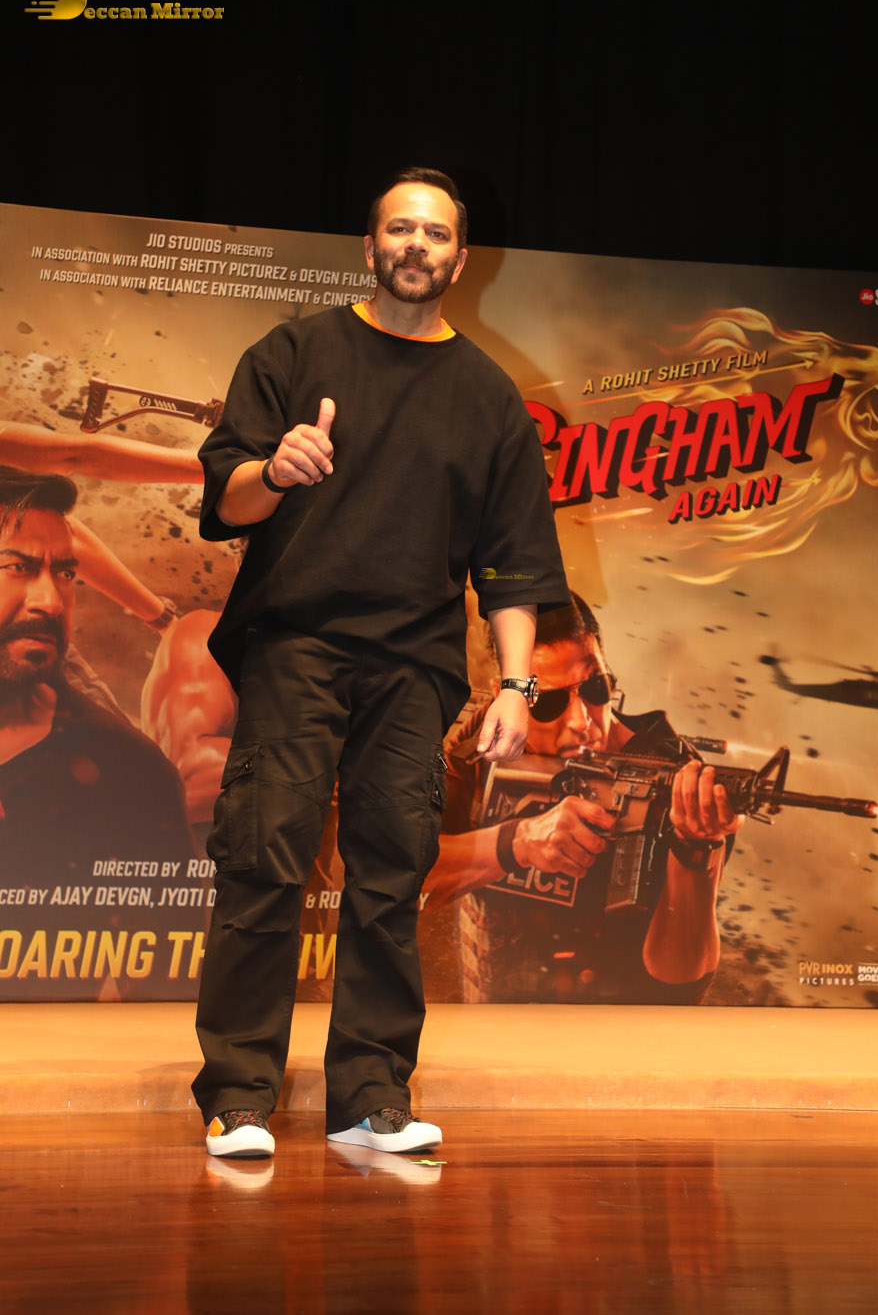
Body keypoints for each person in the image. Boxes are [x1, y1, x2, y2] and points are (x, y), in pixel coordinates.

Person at [192, 168, 569, 1159]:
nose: (415, 246)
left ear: (460, 258)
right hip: (296, 645)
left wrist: (518, 688)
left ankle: (370, 1098)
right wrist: (274, 471)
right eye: (399, 229)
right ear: (370, 248)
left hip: (415, 667)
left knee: (392, 877)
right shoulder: (293, 353)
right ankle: (239, 1097)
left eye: (435, 234)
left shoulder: (489, 398)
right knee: (265, 858)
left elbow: (514, 565)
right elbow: (226, 499)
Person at [423, 594, 742, 1003]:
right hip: (494, 1021)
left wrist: (698, 851)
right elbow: (407, 873)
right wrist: (516, 843)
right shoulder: (490, 734)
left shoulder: (675, 776)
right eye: (550, 702)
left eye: (595, 687)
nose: (582, 721)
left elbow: (680, 984)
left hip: (615, 1027)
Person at [0, 467, 195, 999]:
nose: (51, 601)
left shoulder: (128, 771)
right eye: (18, 567)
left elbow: (167, 985)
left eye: (66, 574)